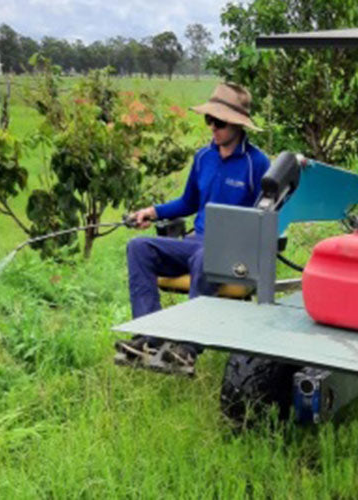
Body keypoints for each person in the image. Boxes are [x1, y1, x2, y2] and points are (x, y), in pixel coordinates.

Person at [114, 82, 270, 376]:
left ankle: (187, 349)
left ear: (237, 124)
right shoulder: (203, 158)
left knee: (203, 257)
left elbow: (269, 215)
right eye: (208, 119)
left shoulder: (257, 163)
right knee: (139, 247)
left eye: (219, 122)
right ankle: (148, 334)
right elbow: (188, 201)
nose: (213, 127)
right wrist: (152, 212)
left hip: (232, 253)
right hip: (196, 242)